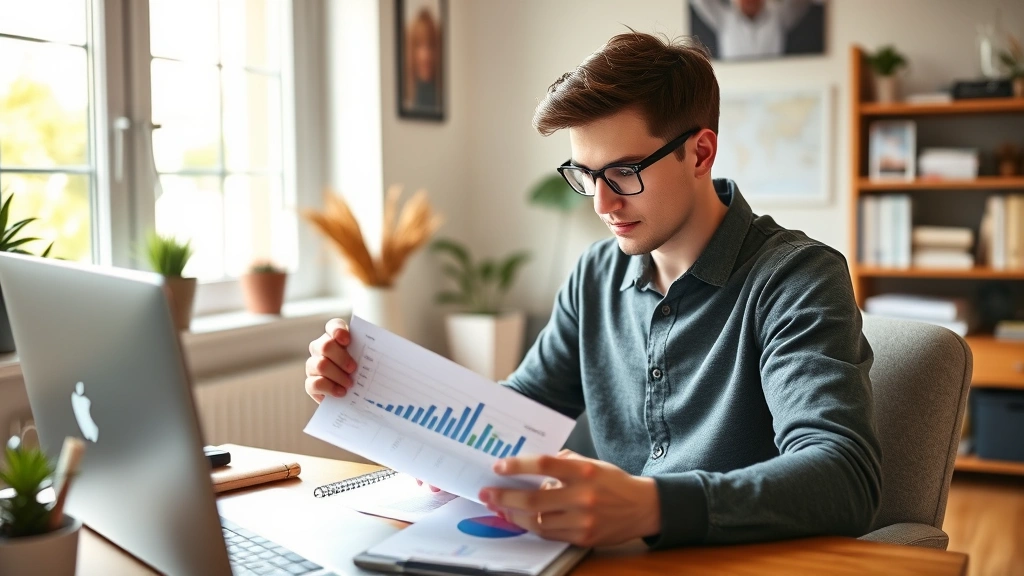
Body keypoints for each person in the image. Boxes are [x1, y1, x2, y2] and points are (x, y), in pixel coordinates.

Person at [305, 31, 881, 549]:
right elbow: (516, 412)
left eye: (625, 172)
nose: (602, 204)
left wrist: (651, 507)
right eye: (585, 175)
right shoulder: (595, 275)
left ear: (700, 153)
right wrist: (371, 387)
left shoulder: (796, 278)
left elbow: (843, 475)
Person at [691, 0, 812, 60]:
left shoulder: (779, 15)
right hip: (734, 87)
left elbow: (800, 3)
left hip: (775, 83)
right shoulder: (724, 18)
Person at [404, 7, 441, 113]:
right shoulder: (406, 96)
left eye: (431, 45)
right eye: (419, 45)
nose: (426, 55)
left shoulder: (444, 94)